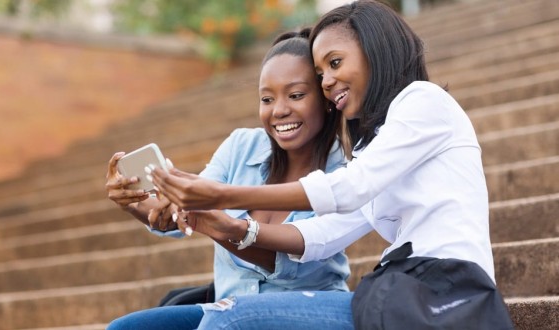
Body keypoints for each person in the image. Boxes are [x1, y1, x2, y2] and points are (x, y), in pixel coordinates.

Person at [149, 1, 515, 329]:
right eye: (321, 73)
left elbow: (350, 187)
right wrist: (230, 225)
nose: (327, 81)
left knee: (232, 319)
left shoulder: (424, 101)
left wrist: (220, 194)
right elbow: (321, 236)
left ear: (375, 50)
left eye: (335, 63)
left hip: (442, 290)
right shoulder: (376, 146)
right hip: (393, 288)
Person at [105, 28, 352, 330]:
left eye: (296, 95)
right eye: (266, 98)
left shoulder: (343, 177)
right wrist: (133, 200)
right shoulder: (241, 146)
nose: (279, 110)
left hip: (303, 313)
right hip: (227, 308)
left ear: (325, 98)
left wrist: (221, 227)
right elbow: (180, 214)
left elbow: (295, 269)